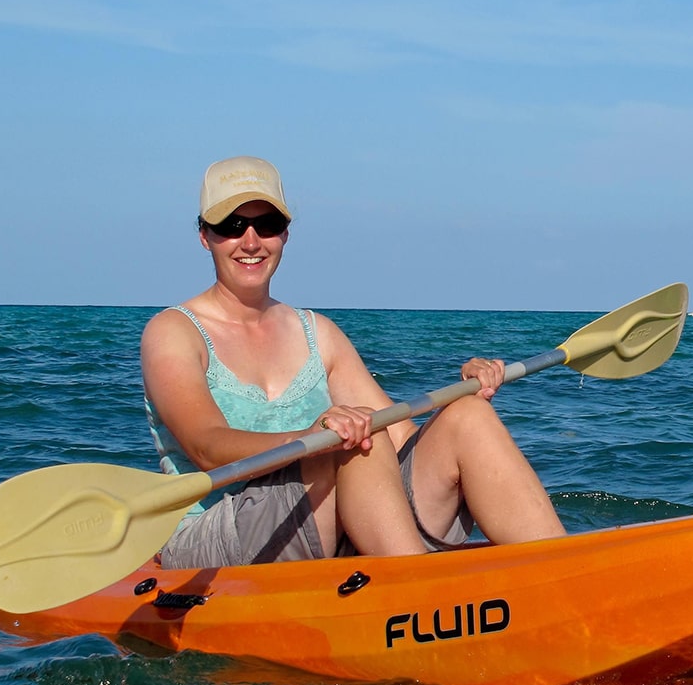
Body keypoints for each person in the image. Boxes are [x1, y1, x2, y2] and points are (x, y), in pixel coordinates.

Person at [141, 156, 566, 568]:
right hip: (215, 534)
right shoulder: (173, 332)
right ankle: (413, 590)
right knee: (351, 437)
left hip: (322, 521)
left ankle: (565, 572)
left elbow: (399, 436)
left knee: (465, 417)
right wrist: (310, 439)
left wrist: (467, 393)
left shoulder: (319, 333)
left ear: (285, 234)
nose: (251, 242)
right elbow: (206, 447)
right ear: (205, 235)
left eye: (266, 225)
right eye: (231, 226)